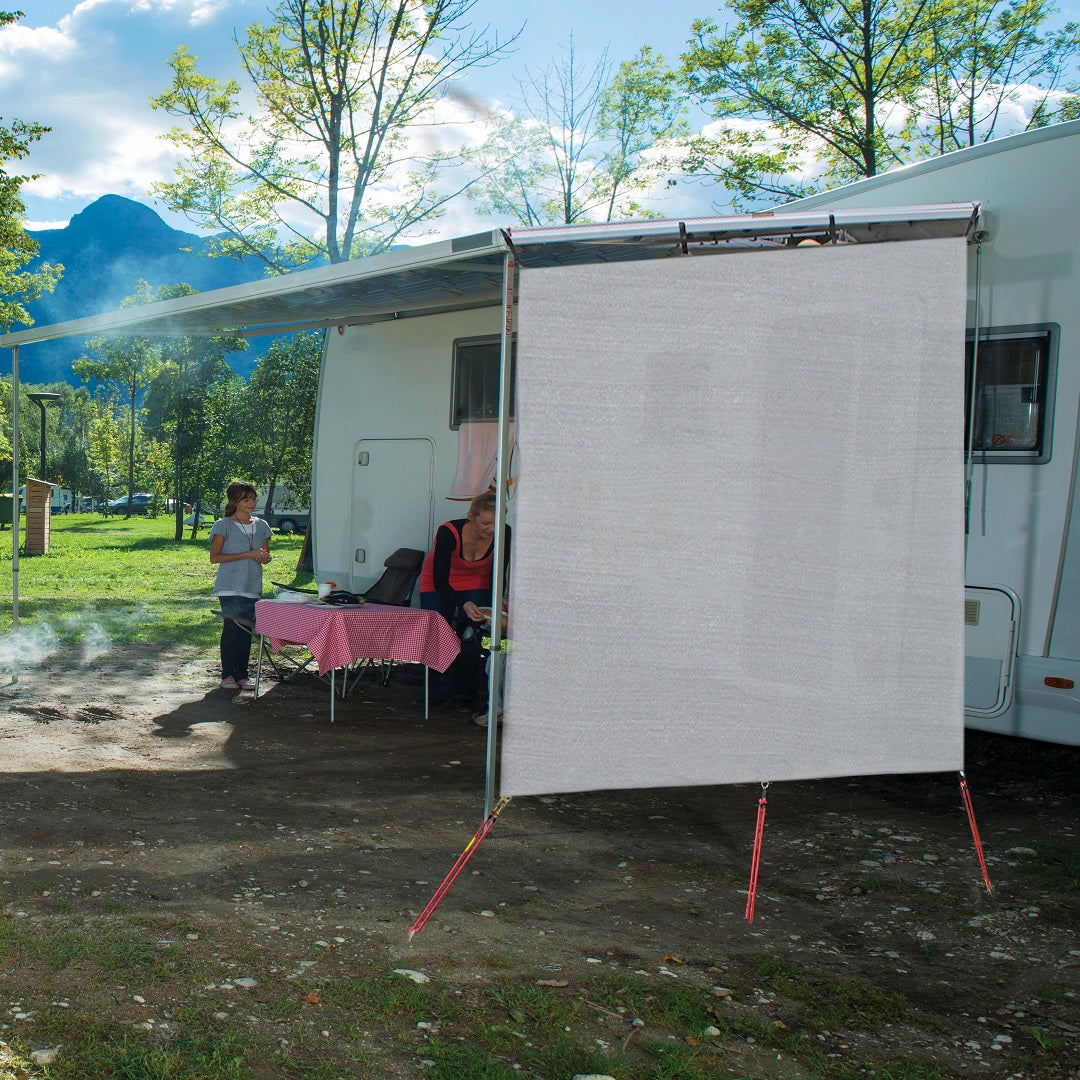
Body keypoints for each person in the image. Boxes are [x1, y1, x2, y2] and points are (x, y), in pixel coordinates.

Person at [419, 491, 510, 711]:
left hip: (477, 583)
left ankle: (464, 695)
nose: (492, 529)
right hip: (439, 584)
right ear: (471, 516)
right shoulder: (448, 531)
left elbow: (499, 573)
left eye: (496, 523)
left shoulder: (504, 533)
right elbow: (441, 579)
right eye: (486, 523)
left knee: (470, 633)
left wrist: (496, 600)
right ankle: (438, 692)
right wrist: (462, 604)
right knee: (440, 632)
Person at [209, 482, 272, 690]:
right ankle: (227, 675)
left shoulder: (261, 525)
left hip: (251, 586)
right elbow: (215, 557)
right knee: (231, 629)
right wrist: (249, 554)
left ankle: (242, 675)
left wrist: (264, 558)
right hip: (229, 586)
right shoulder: (223, 525)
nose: (252, 503)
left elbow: (265, 555)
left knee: (246, 631)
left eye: (253, 498)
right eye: (247, 499)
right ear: (234, 501)